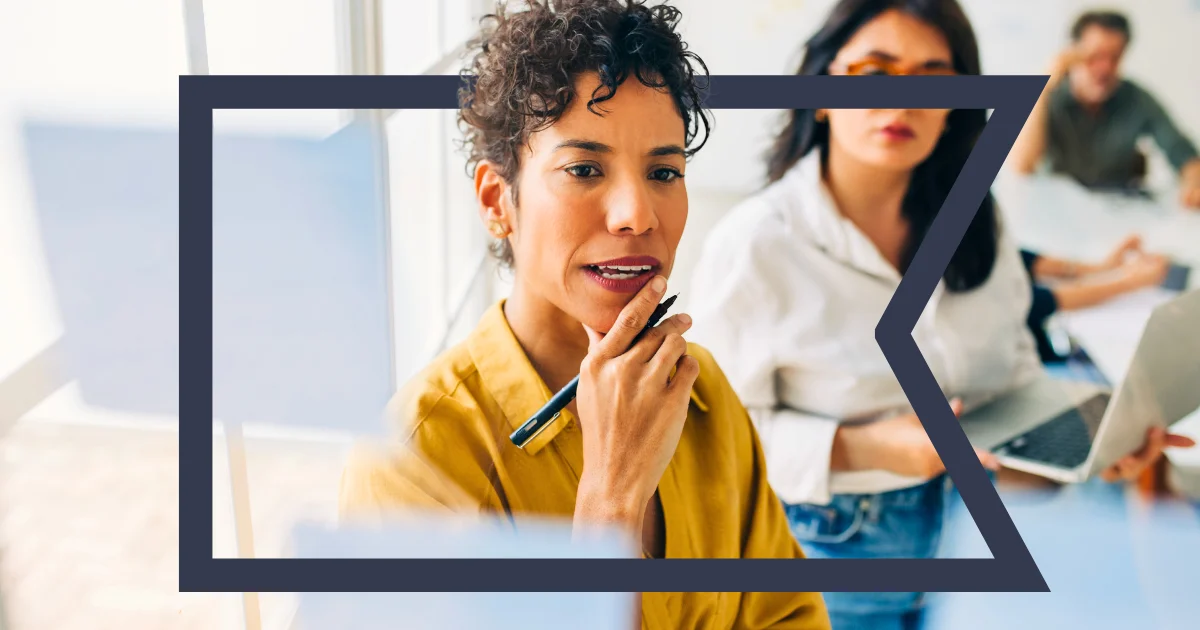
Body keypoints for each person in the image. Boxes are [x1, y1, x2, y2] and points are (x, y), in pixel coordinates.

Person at [686, 0, 1193, 627]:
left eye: (934, 77)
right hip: (828, 551)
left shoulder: (979, 219)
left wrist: (1088, 450)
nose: (904, 101)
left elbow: (1012, 380)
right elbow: (707, 440)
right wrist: (861, 448)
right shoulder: (758, 243)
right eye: (874, 74)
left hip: (971, 529)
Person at [337, 2, 831, 629]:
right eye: (584, 169)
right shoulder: (415, 459)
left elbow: (791, 615)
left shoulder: (699, 389)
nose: (636, 214)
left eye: (663, 171)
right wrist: (611, 499)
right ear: (498, 202)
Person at [1007, 10, 1200, 208]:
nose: (1105, 68)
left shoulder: (1136, 99)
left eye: (1114, 58)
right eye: (1095, 56)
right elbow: (1022, 166)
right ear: (1072, 54)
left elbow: (1182, 151)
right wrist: (1044, 86)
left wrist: (1194, 182)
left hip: (1116, 213)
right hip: (1058, 214)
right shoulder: (1052, 97)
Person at [1020, 234, 1170, 363]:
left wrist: (1099, 269)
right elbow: (1039, 302)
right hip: (1033, 355)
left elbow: (1014, 258)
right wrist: (1129, 281)